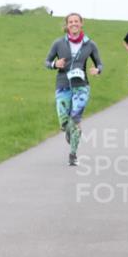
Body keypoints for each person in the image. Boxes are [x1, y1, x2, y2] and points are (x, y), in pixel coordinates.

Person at [43, 13, 103, 166]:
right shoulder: (58, 43)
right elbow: (47, 61)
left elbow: (99, 64)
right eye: (71, 22)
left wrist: (97, 70)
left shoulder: (90, 44)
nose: (74, 24)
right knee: (64, 122)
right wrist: (54, 65)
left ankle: (73, 154)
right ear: (67, 25)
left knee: (75, 118)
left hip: (81, 87)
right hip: (62, 85)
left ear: (81, 24)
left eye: (76, 21)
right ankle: (70, 131)